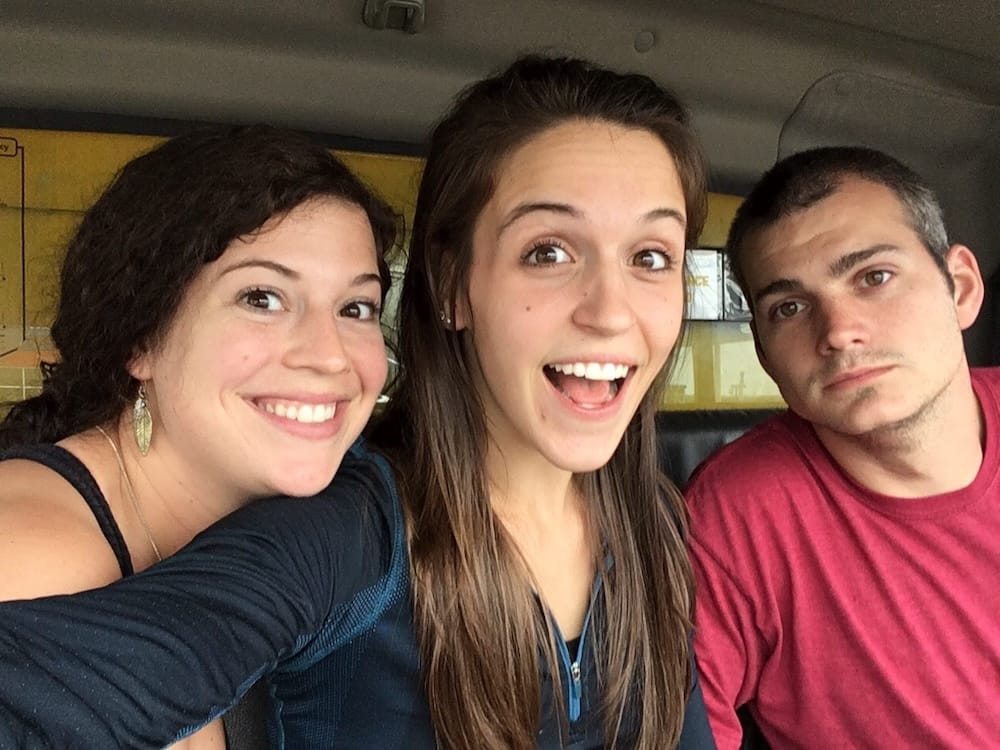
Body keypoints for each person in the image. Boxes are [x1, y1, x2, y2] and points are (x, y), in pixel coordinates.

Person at [0, 55, 717, 749]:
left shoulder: (651, 522)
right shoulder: (349, 532)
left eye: (651, 257)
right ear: (452, 285)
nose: (611, 311)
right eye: (549, 251)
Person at [0, 124, 396, 749]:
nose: (329, 356)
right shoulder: (28, 554)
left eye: (356, 309)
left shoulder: (303, 526)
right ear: (141, 339)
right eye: (262, 297)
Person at [686, 146, 998, 748]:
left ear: (959, 288)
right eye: (790, 307)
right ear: (764, 354)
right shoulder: (735, 514)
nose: (837, 331)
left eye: (873, 277)